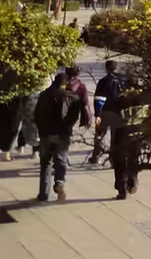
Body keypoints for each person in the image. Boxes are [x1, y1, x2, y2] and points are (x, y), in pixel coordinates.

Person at [34, 72, 81, 202]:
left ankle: (43, 195)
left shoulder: (44, 95)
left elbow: (37, 114)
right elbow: (73, 117)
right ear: (65, 83)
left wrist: (41, 130)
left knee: (45, 165)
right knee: (61, 161)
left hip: (45, 134)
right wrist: (67, 128)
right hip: (62, 134)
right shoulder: (73, 97)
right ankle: (59, 182)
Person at [88, 60, 125, 165]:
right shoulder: (122, 80)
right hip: (117, 112)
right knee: (115, 137)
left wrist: (97, 114)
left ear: (106, 68)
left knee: (99, 135)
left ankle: (96, 156)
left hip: (105, 110)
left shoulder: (103, 81)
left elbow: (98, 98)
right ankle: (114, 159)